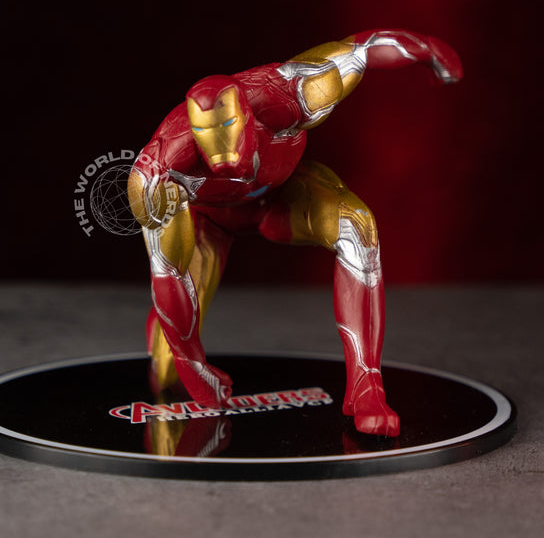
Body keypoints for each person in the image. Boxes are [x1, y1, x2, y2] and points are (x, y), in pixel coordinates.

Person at [128, 29, 462, 436]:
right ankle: (173, 357)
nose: (227, 163)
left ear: (248, 116)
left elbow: (363, 48)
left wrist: (427, 50)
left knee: (357, 227)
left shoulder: (290, 92)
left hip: (282, 198)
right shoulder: (160, 169)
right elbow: (166, 270)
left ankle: (366, 384)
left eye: (232, 138)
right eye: (210, 151)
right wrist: (191, 362)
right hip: (207, 221)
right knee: (167, 368)